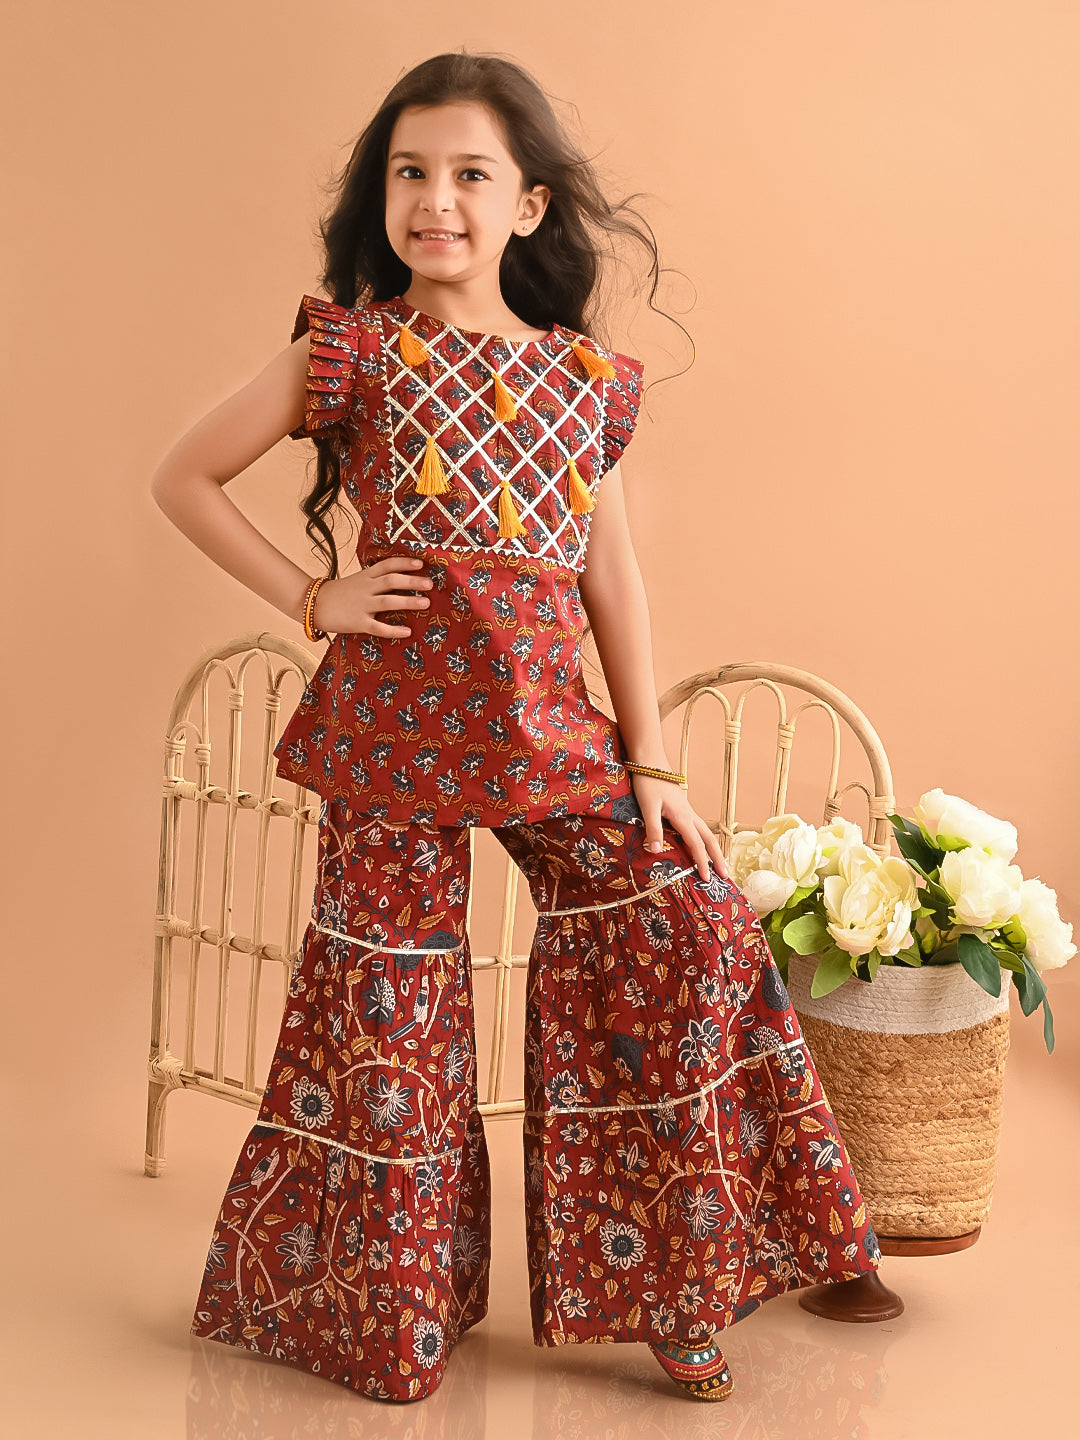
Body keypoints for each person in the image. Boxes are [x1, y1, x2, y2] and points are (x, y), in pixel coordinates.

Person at [152, 50, 886, 1407]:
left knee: (686, 925)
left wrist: (650, 761)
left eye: (469, 175)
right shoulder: (352, 352)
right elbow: (183, 476)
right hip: (390, 741)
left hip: (552, 739)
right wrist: (314, 596)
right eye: (410, 173)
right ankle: (385, 1321)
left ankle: (679, 1287)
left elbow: (615, 578)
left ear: (528, 206)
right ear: (385, 197)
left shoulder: (584, 380)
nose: (435, 200)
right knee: (392, 1017)